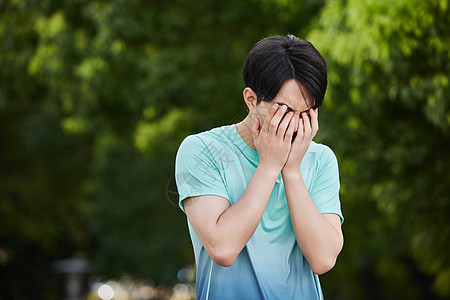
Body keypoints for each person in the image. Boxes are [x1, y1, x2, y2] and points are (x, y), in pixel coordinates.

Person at [175, 34, 344, 300]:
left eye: (306, 113)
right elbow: (223, 248)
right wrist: (269, 166)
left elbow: (323, 259)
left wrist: (291, 171)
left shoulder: (320, 159)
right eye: (284, 110)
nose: (295, 125)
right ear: (251, 99)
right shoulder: (201, 151)